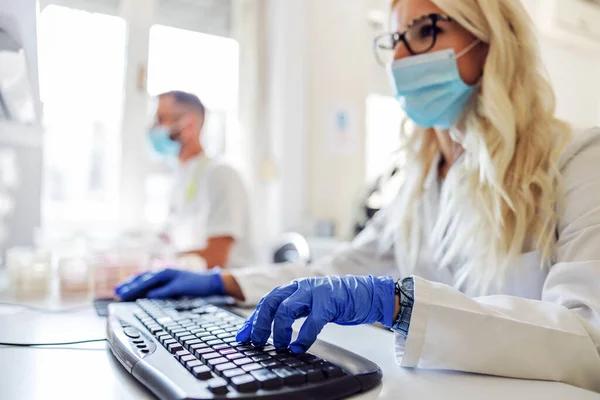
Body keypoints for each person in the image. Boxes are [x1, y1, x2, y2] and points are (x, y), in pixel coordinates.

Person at [117, 0, 600, 392]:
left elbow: (589, 341)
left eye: (426, 29)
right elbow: (342, 268)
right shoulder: (421, 180)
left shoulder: (579, 159)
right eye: (395, 39)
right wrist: (227, 284)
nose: (401, 59)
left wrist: (400, 304)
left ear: (492, 37)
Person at [147, 90, 257, 270]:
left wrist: (161, 263)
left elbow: (215, 258)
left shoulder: (221, 175)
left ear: (188, 124)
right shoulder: (179, 180)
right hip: (191, 291)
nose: (153, 129)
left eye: (160, 119)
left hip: (227, 293)